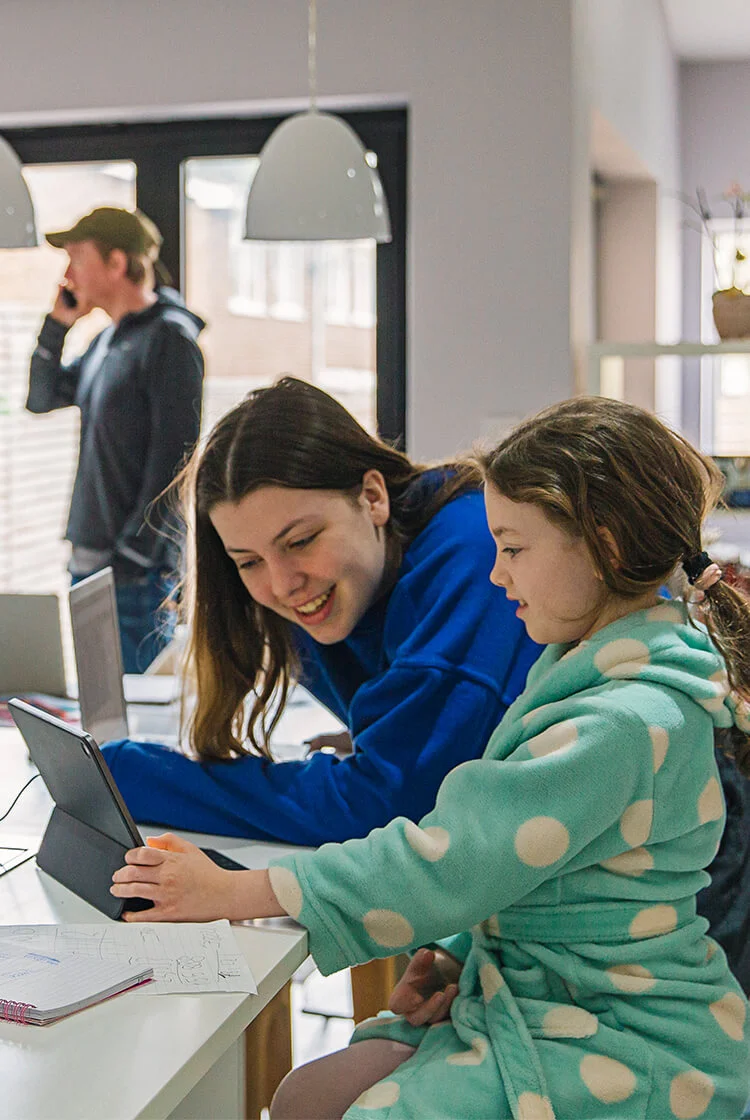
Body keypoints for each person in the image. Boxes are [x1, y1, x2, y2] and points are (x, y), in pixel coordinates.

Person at [112, 396, 750, 1120]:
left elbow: (451, 854)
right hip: (551, 986)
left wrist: (236, 891)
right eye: (249, 561)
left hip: (619, 1026)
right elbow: (528, 856)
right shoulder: (579, 666)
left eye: (511, 550)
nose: (497, 575)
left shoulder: (622, 721)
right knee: (306, 1095)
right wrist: (452, 950)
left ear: (601, 545)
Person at [101, 376, 541, 844]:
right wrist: (390, 735)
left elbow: (385, 808)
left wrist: (133, 775)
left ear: (372, 498)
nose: (282, 584)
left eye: (301, 541)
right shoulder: (339, 578)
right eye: (248, 561)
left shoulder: (473, 554)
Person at [26, 206, 205, 672]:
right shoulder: (106, 341)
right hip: (89, 562)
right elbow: (41, 398)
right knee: (101, 712)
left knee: (136, 716)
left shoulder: (170, 339)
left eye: (77, 258)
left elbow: (177, 462)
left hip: (133, 574)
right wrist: (57, 326)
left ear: (117, 263)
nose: (68, 274)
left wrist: (131, 557)